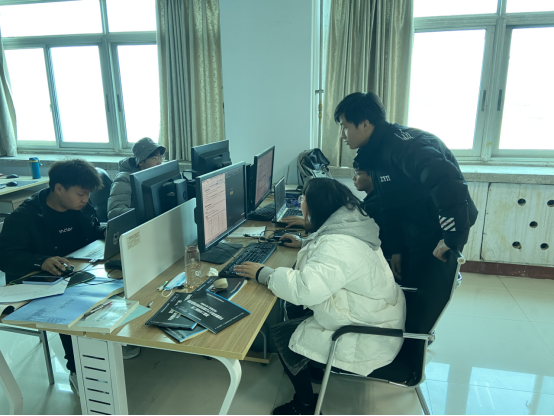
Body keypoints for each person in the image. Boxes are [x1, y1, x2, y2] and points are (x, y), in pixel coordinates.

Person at [235, 178, 406, 415]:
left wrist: (264, 274)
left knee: (283, 335)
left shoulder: (338, 245)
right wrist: (305, 243)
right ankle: (314, 366)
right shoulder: (350, 227)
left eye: (303, 199)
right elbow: (332, 259)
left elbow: (305, 290)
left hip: (366, 333)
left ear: (317, 206)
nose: (301, 203)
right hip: (374, 314)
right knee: (291, 307)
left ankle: (305, 405)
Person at [335, 92, 478, 285]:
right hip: (416, 220)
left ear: (365, 124)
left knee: (425, 289)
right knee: (407, 282)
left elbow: (447, 181)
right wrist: (396, 249)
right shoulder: (375, 151)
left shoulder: (406, 147)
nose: (342, 135)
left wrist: (452, 238)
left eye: (345, 127)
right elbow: (388, 203)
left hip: (437, 225)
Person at [0, 159, 105, 395]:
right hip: (34, 282)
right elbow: (5, 257)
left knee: (111, 284)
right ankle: (77, 370)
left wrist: (103, 231)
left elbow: (90, 232)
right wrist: (41, 261)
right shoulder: (24, 217)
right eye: (81, 194)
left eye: (88, 194)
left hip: (71, 272)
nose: (86, 199)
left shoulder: (82, 207)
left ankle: (107, 344)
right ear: (58, 188)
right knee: (71, 306)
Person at [107, 137, 166, 220]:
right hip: (136, 225)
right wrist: (146, 213)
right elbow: (114, 212)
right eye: (155, 158)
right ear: (140, 162)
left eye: (160, 157)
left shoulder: (155, 175)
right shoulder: (124, 179)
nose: (159, 162)